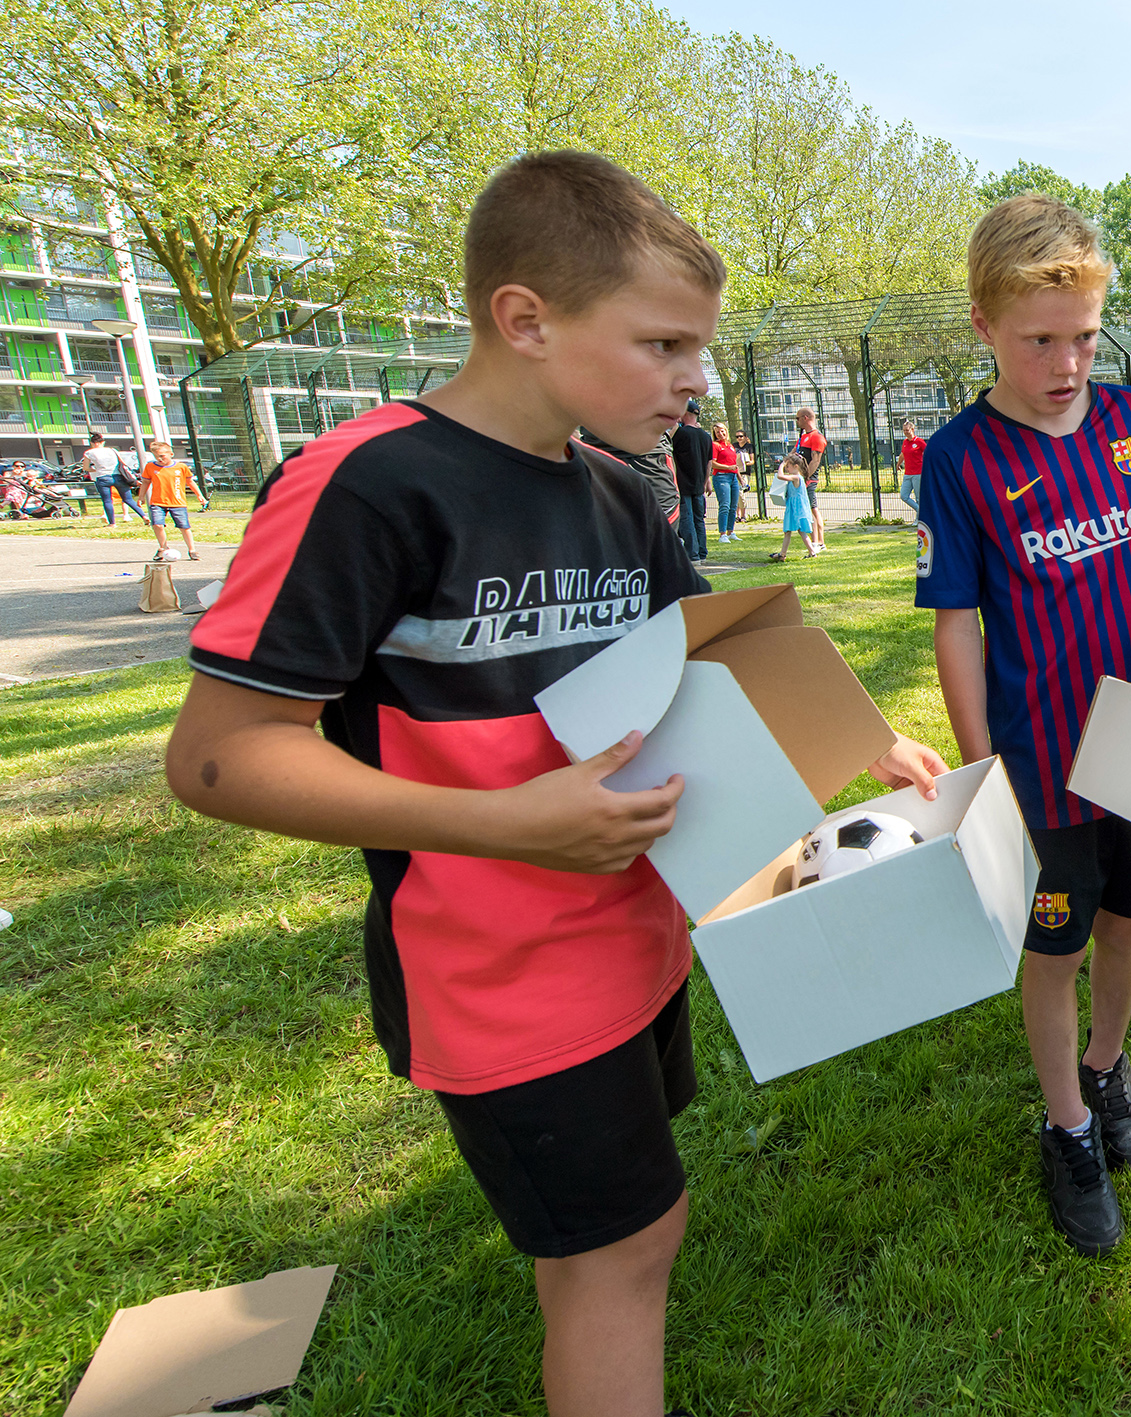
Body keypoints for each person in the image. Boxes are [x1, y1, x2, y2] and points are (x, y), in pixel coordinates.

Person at [163, 150, 944, 1417]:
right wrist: (504, 825)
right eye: (662, 345)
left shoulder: (616, 488)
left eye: (700, 348)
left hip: (636, 936)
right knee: (622, 1253)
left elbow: (718, 645)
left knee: (611, 1238)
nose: (696, 382)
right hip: (493, 973)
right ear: (522, 319)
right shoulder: (369, 483)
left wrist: (863, 738)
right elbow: (216, 754)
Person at [916, 193, 1131, 1257]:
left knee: (1128, 922)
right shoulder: (959, 458)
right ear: (982, 324)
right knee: (1056, 946)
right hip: (1046, 769)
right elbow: (956, 627)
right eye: (1038, 341)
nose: (1066, 362)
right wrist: (984, 778)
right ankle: (1064, 1124)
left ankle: (1106, 1070)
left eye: (1081, 337)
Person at [140, 439, 208, 561]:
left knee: (184, 526)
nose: (160, 459)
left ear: (171, 454)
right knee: (157, 524)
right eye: (156, 457)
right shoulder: (150, 467)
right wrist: (141, 497)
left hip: (177, 502)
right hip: (157, 502)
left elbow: (190, 481)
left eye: (162, 456)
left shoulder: (181, 467)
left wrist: (199, 495)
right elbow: (145, 482)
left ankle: (192, 550)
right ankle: (163, 547)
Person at [669, 399, 712, 562]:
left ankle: (692, 554)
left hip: (683, 483)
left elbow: (668, 447)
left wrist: (674, 426)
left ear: (685, 413)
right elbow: (709, 461)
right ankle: (702, 552)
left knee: (686, 519)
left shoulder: (681, 434)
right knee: (699, 519)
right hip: (698, 483)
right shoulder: (705, 436)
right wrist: (706, 480)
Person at [83, 431, 145, 526]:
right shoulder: (112, 450)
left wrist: (95, 469)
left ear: (92, 443)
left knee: (107, 501)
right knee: (128, 499)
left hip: (102, 477)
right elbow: (122, 462)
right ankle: (144, 516)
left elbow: (86, 468)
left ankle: (112, 523)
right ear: (103, 442)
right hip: (118, 476)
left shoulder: (89, 453)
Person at [767, 451, 816, 561]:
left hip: (798, 508)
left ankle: (811, 552)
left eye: (788, 467)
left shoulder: (796, 477)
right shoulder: (795, 477)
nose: (786, 469)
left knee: (800, 531)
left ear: (796, 466)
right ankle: (783, 554)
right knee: (789, 531)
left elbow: (780, 476)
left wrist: (781, 465)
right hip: (793, 507)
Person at [793, 406, 827, 549]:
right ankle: (815, 541)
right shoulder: (803, 437)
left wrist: (805, 478)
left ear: (805, 418)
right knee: (808, 508)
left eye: (798, 418)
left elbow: (815, 460)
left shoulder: (817, 437)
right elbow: (793, 453)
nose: (797, 421)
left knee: (813, 509)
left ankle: (819, 542)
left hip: (809, 480)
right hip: (801, 479)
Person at [709, 421, 741, 542]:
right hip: (721, 476)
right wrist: (727, 468)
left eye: (722, 431)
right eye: (717, 432)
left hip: (733, 477)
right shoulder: (715, 445)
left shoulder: (730, 445)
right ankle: (722, 534)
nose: (720, 434)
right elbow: (713, 462)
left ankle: (730, 531)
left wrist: (740, 478)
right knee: (725, 505)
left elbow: (734, 464)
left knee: (733, 506)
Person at [897, 418, 926, 514]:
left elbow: (928, 453)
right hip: (907, 473)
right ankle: (920, 511)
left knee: (918, 497)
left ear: (912, 430)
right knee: (903, 496)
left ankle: (919, 519)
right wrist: (898, 464)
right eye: (904, 430)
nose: (905, 432)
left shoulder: (919, 442)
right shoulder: (905, 442)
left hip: (918, 473)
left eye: (907, 430)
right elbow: (902, 454)